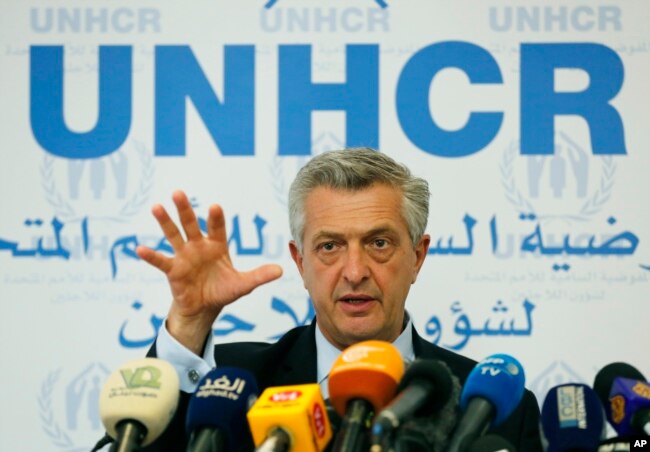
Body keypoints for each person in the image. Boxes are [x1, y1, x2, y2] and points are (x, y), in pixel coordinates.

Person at [134, 148, 542, 450]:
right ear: (300, 262)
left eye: (378, 243)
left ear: (417, 257)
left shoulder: (491, 406)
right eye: (330, 246)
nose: (354, 271)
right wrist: (190, 320)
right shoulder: (230, 384)